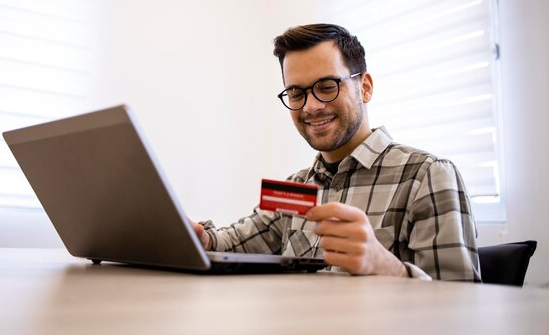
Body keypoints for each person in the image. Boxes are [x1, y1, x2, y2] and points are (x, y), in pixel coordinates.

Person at [191, 23, 481, 281]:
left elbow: (462, 307)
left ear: (365, 87)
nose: (310, 107)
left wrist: (388, 268)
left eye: (327, 86)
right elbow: (228, 244)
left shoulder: (428, 175)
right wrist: (197, 237)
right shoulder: (296, 187)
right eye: (296, 93)